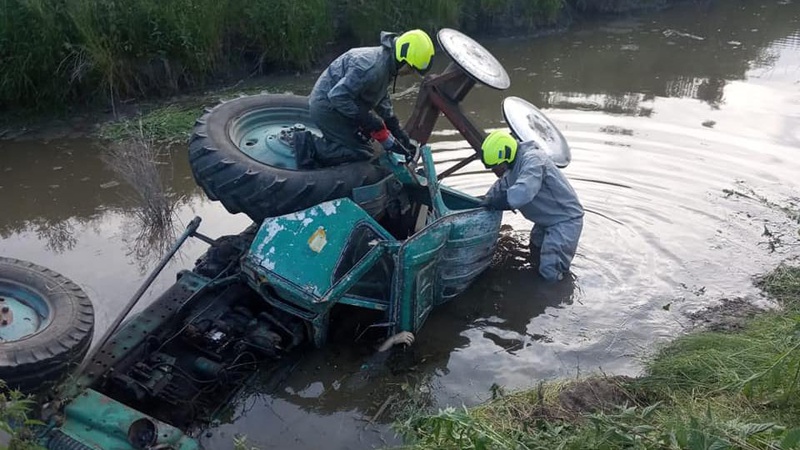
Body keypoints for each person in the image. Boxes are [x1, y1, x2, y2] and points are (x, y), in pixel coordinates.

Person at [308, 29, 435, 166]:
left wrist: (393, 125)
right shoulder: (371, 68)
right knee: (359, 154)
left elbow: (379, 94)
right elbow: (337, 97)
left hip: (343, 104)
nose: (409, 73)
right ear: (402, 59)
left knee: (366, 145)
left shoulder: (387, 64)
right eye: (410, 69)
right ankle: (307, 146)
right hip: (326, 107)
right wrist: (366, 119)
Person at [479, 130, 584, 282]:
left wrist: (500, 202)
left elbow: (524, 191)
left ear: (506, 156)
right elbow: (501, 187)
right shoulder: (512, 168)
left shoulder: (534, 160)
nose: (495, 171)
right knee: (535, 250)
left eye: (496, 167)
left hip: (565, 221)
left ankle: (556, 296)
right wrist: (484, 201)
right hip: (545, 221)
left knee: (550, 270)